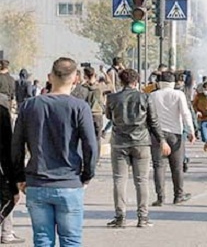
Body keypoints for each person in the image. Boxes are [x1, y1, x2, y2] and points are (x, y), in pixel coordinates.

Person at [11, 58, 97, 246]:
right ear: (75, 79)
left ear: (49, 77)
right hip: (69, 182)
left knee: (42, 239)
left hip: (37, 182)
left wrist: (18, 177)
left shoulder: (29, 106)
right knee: (71, 240)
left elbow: (16, 145)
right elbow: (90, 145)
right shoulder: (79, 107)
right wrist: (87, 175)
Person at [106, 68, 170, 228]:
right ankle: (143, 217)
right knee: (141, 181)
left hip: (119, 142)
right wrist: (162, 140)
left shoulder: (112, 98)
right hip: (141, 142)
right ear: (136, 81)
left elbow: (108, 116)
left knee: (119, 180)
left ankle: (120, 217)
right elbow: (153, 121)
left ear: (121, 81)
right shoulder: (144, 97)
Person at [148, 72, 195, 206]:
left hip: (157, 135)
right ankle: (178, 195)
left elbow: (150, 116)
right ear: (173, 82)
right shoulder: (178, 94)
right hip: (175, 135)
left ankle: (160, 197)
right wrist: (191, 131)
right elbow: (185, 113)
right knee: (177, 167)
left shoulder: (152, 95)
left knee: (158, 166)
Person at [0, 75, 22, 244]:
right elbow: (9, 148)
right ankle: (7, 233)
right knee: (7, 197)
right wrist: (14, 180)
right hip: (2, 170)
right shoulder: (2, 110)